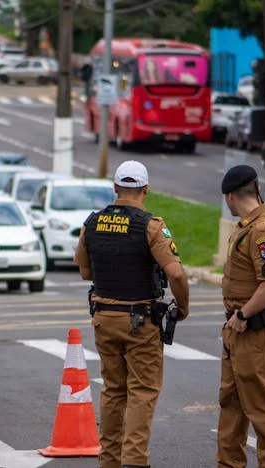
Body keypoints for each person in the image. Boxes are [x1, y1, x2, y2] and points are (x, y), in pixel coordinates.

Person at [74, 160, 190, 468]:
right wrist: (184, 307)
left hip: (104, 317)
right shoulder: (151, 226)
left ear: (115, 188)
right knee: (142, 390)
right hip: (140, 321)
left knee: (113, 390)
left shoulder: (92, 223)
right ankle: (135, 461)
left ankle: (110, 460)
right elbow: (176, 275)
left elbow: (85, 270)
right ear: (145, 190)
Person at [216, 165, 265, 468]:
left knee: (260, 406)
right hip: (237, 329)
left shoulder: (262, 229)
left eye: (227, 200)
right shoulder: (248, 224)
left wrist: (244, 313)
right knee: (231, 404)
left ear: (231, 196)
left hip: (254, 331)